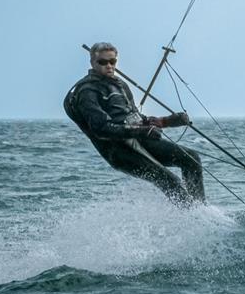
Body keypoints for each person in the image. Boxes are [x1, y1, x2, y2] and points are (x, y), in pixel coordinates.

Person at [64, 42, 205, 206]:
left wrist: (166, 121)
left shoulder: (120, 84)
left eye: (112, 61)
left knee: (191, 159)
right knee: (169, 179)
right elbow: (101, 128)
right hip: (118, 151)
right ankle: (193, 217)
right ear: (92, 63)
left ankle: (201, 209)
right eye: (102, 62)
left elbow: (134, 117)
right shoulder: (87, 92)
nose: (108, 66)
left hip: (139, 140)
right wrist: (141, 132)